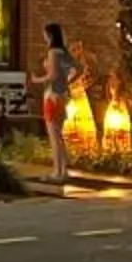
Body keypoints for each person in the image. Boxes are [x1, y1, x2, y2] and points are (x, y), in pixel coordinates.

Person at [39, 21, 75, 185]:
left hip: (52, 95)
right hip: (63, 95)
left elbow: (52, 75)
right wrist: (65, 83)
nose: (44, 37)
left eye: (45, 34)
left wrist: (37, 79)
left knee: (54, 135)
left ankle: (57, 171)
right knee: (59, 135)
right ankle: (63, 170)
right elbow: (74, 70)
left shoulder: (53, 52)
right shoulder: (65, 53)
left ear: (50, 35)